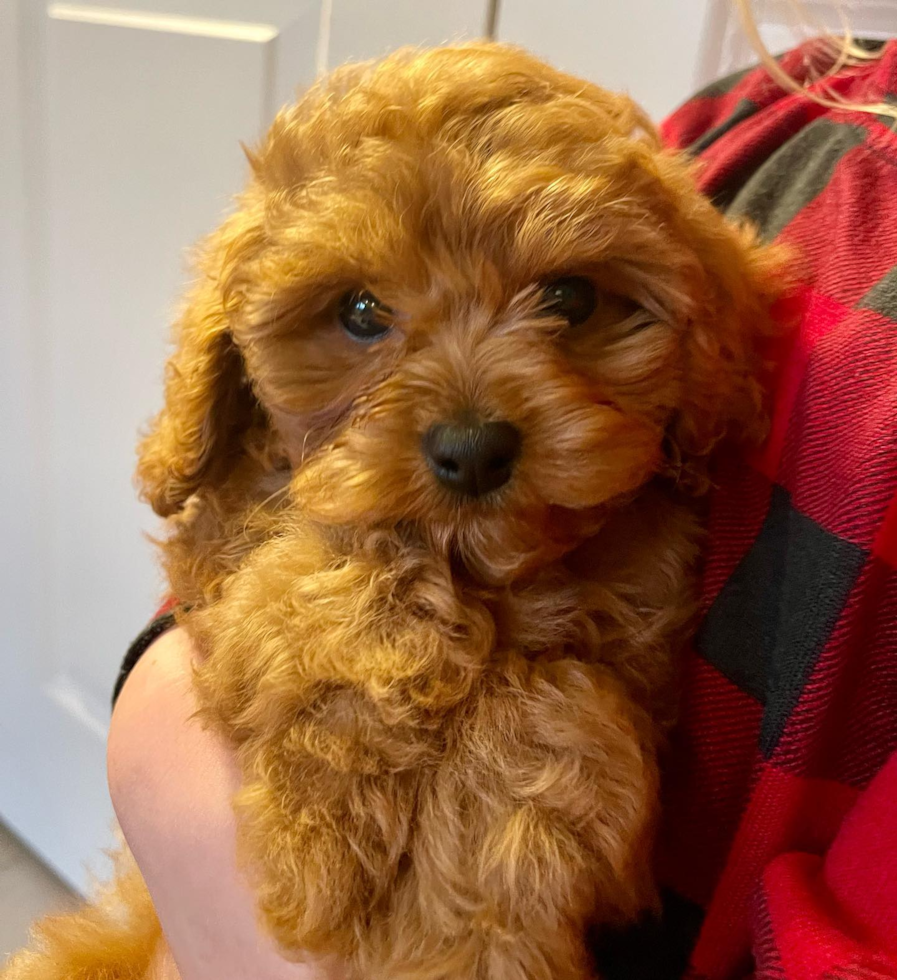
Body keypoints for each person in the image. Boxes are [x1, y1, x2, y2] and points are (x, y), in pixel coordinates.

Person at [108, 26, 897, 980]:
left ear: (705, 334)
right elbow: (200, 574)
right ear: (230, 362)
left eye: (566, 303)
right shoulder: (754, 115)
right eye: (364, 316)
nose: (469, 426)